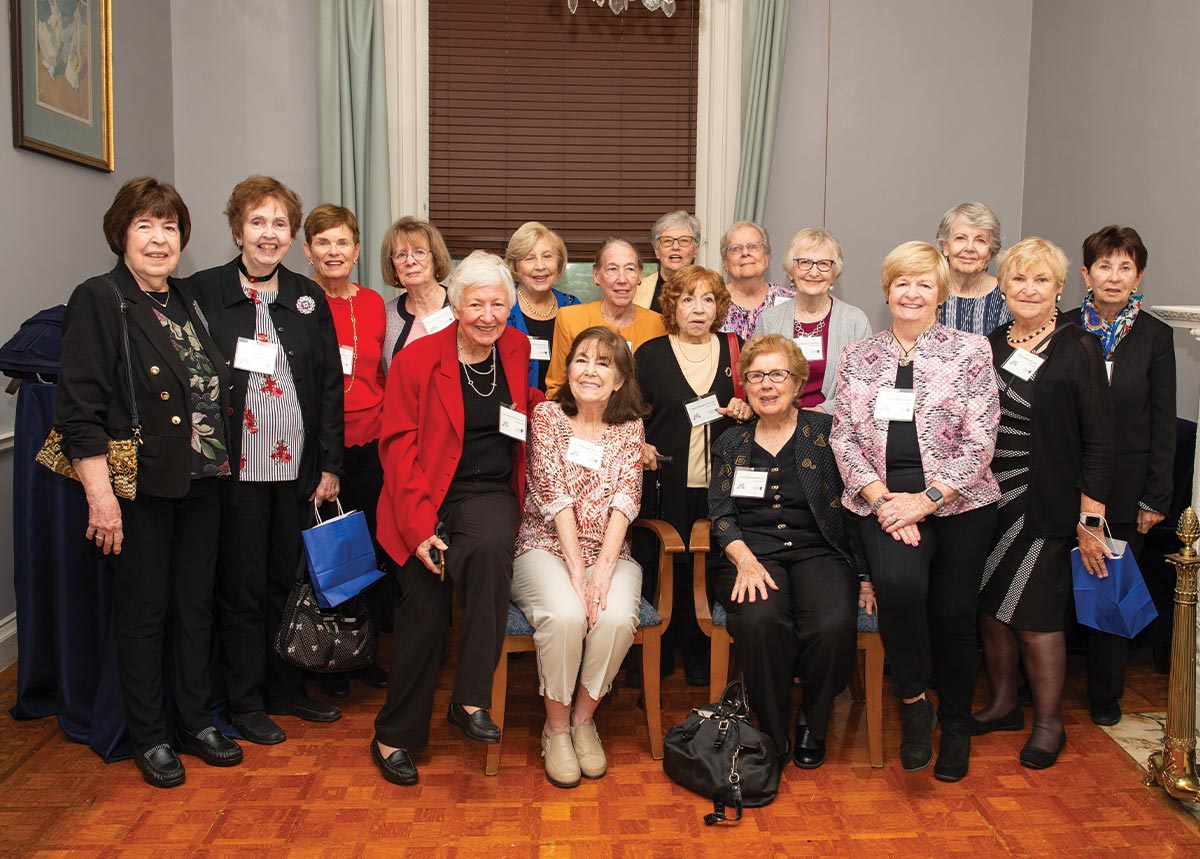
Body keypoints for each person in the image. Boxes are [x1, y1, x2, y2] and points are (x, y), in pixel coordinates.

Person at [57, 177, 241, 786]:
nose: (159, 239)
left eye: (169, 227)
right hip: (139, 489)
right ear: (122, 234)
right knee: (144, 612)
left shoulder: (186, 299)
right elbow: (78, 411)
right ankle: (150, 735)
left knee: (194, 608)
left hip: (204, 480)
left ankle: (196, 719)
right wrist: (100, 497)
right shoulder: (101, 298)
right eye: (145, 226)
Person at [830, 241, 1000, 782]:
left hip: (958, 505)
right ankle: (911, 704)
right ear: (887, 290)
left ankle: (953, 727)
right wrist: (884, 501)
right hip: (883, 504)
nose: (912, 292)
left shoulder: (970, 351)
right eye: (902, 282)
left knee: (953, 614)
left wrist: (926, 500)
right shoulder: (860, 357)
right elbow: (844, 437)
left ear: (941, 293)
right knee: (900, 591)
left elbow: (982, 439)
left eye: (924, 283)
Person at [371, 251, 538, 786]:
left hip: (484, 488)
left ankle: (470, 699)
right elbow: (397, 450)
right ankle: (393, 734)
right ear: (456, 305)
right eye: (476, 304)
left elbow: (526, 405)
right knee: (423, 607)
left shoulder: (513, 346)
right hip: (418, 491)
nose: (487, 314)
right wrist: (421, 530)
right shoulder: (418, 360)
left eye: (498, 304)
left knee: (491, 552)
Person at [192, 176, 345, 745]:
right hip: (236, 474)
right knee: (242, 587)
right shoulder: (203, 291)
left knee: (289, 580)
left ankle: (286, 689)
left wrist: (331, 466)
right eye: (258, 222)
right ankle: (245, 699)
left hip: (297, 474)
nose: (269, 233)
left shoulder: (308, 296)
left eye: (280, 223)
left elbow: (330, 386)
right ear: (237, 230)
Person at [974, 237, 1115, 769]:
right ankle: (1005, 704)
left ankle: (1050, 722)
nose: (1028, 289)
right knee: (991, 608)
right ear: (1004, 286)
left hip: (1045, 500)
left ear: (1060, 288)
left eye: (1040, 280)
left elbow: (1100, 440)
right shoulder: (991, 343)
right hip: (987, 497)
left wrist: (1091, 517)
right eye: (1018, 279)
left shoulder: (1078, 346)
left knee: (1035, 614)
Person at [708, 334, 867, 768]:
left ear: (798, 384)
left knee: (834, 625)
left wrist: (866, 576)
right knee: (760, 622)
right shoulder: (730, 444)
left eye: (778, 375)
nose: (767, 385)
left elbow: (855, 505)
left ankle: (813, 720)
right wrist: (742, 558)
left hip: (820, 551)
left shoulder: (827, 434)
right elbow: (720, 514)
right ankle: (773, 731)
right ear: (745, 386)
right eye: (756, 376)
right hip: (750, 555)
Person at [513, 326, 649, 788]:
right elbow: (552, 496)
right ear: (567, 369)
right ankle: (554, 728)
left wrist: (603, 573)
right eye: (582, 360)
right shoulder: (547, 416)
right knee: (567, 614)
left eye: (603, 363)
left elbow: (627, 499)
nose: (590, 371)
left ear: (619, 379)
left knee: (613, 618)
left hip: (609, 550)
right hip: (545, 545)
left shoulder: (630, 427)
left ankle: (583, 719)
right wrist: (578, 573)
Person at [1065, 225, 1175, 726]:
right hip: (1065, 478)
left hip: (1128, 488)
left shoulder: (1155, 336)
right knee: (1054, 583)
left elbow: (1162, 419)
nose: (1114, 276)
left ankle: (1105, 694)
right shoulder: (1064, 329)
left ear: (1139, 275)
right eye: (1104, 266)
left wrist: (1155, 497)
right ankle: (1036, 683)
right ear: (1086, 273)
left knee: (1110, 586)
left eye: (1125, 266)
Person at [635, 265, 749, 686]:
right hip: (664, 482)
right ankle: (659, 652)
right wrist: (639, 446)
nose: (697, 309)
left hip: (722, 485)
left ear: (719, 307)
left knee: (711, 565)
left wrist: (745, 408)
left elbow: (761, 405)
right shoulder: (649, 354)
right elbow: (629, 416)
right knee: (665, 564)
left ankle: (701, 653)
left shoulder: (738, 349)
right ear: (672, 306)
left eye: (707, 300)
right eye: (687, 299)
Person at [301, 204, 390, 698]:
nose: (333, 252)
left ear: (356, 250)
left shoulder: (375, 304)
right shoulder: (299, 301)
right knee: (324, 550)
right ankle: (323, 657)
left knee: (368, 550)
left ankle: (362, 652)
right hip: (320, 448)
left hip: (372, 443)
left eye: (342, 243)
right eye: (323, 242)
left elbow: (379, 375)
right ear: (307, 249)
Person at [753, 228, 871, 410]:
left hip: (835, 427)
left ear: (834, 273)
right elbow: (755, 379)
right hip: (778, 423)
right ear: (791, 271)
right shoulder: (769, 321)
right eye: (805, 262)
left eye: (823, 264)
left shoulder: (855, 322)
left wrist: (823, 411)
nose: (814, 272)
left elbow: (863, 386)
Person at [544, 238, 666, 398]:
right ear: (596, 275)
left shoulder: (659, 325)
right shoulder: (570, 319)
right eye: (612, 269)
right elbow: (556, 387)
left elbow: (660, 390)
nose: (622, 279)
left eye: (630, 269)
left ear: (639, 276)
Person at [503, 221, 580, 391]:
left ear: (558, 262)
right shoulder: (501, 308)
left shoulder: (573, 307)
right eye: (529, 258)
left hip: (565, 412)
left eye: (547, 256)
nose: (540, 266)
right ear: (516, 265)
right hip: (515, 411)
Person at [380, 217, 454, 370]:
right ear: (393, 267)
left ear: (435, 258)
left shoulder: (460, 307)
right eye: (401, 255)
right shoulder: (386, 316)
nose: (410, 261)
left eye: (419, 252)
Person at [935, 202, 1012, 334]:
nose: (970, 248)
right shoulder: (926, 289)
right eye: (960, 238)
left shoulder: (1007, 294)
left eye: (980, 240)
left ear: (990, 252)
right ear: (945, 246)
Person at [719, 220, 793, 340]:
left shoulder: (789, 301)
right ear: (725, 262)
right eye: (736, 249)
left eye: (753, 246)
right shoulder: (713, 301)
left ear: (767, 257)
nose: (745, 253)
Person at [636, 210, 701, 312]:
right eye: (667, 241)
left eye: (684, 240)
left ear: (696, 250)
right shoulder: (637, 290)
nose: (675, 247)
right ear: (656, 250)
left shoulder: (709, 290)